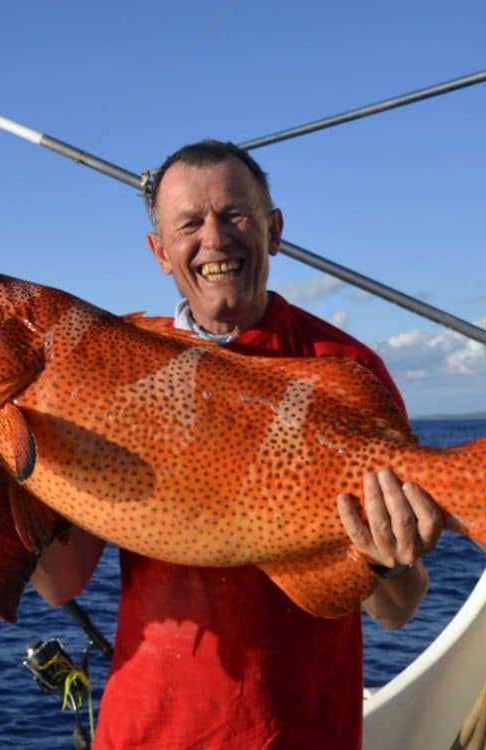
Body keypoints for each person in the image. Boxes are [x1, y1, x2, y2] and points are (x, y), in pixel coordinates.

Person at [30, 140, 449, 749]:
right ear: (160, 252)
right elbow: (57, 583)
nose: (216, 239)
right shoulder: (115, 370)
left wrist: (390, 558)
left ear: (274, 231)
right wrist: (2, 465)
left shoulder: (346, 369)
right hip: (146, 734)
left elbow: (398, 608)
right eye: (189, 224)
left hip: (303, 732)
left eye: (235, 215)